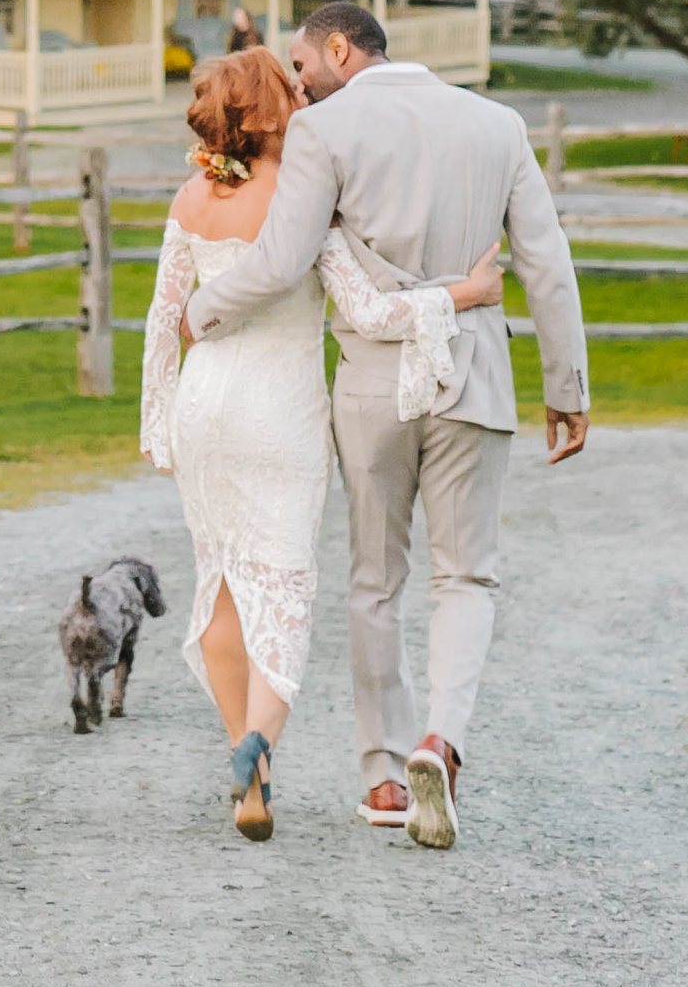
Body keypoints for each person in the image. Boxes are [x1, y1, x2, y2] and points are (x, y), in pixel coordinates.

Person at [180, 1, 588, 851]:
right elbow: (546, 261)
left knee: (375, 582)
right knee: (465, 577)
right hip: (472, 375)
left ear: (339, 48)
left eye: (301, 65)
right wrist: (566, 386)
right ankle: (442, 737)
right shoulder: (498, 123)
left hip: (372, 386)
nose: (297, 84)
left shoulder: (327, 133)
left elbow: (285, 260)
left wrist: (202, 308)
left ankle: (385, 777)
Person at [139, 49, 506, 842]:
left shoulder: (190, 198)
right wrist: (464, 294)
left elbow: (165, 315)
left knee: (224, 585)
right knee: (286, 586)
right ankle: (260, 741)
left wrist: (158, 418)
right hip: (278, 415)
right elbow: (372, 312)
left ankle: (249, 768)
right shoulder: (305, 205)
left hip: (205, 408)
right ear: (275, 109)